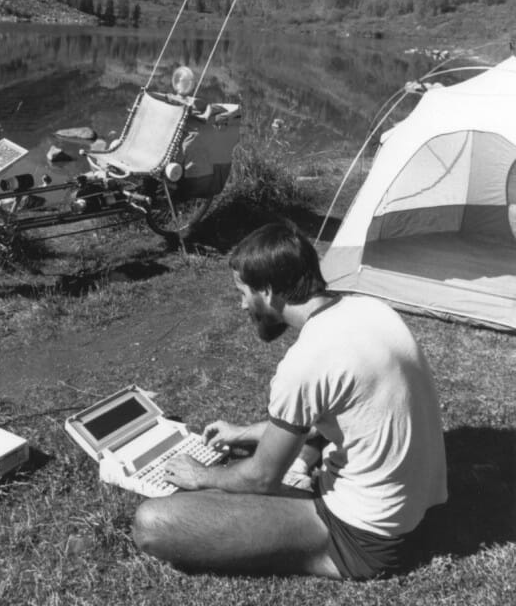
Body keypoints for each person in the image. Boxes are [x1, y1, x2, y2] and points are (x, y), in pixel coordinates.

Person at [132, 221, 447, 580]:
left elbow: (260, 479)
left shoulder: (306, 360)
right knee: (305, 443)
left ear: (267, 291)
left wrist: (202, 475)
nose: (240, 305)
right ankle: (303, 475)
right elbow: (335, 413)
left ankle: (315, 523)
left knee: (152, 522)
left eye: (243, 292)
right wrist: (241, 433)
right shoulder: (372, 310)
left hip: (365, 536)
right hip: (415, 508)